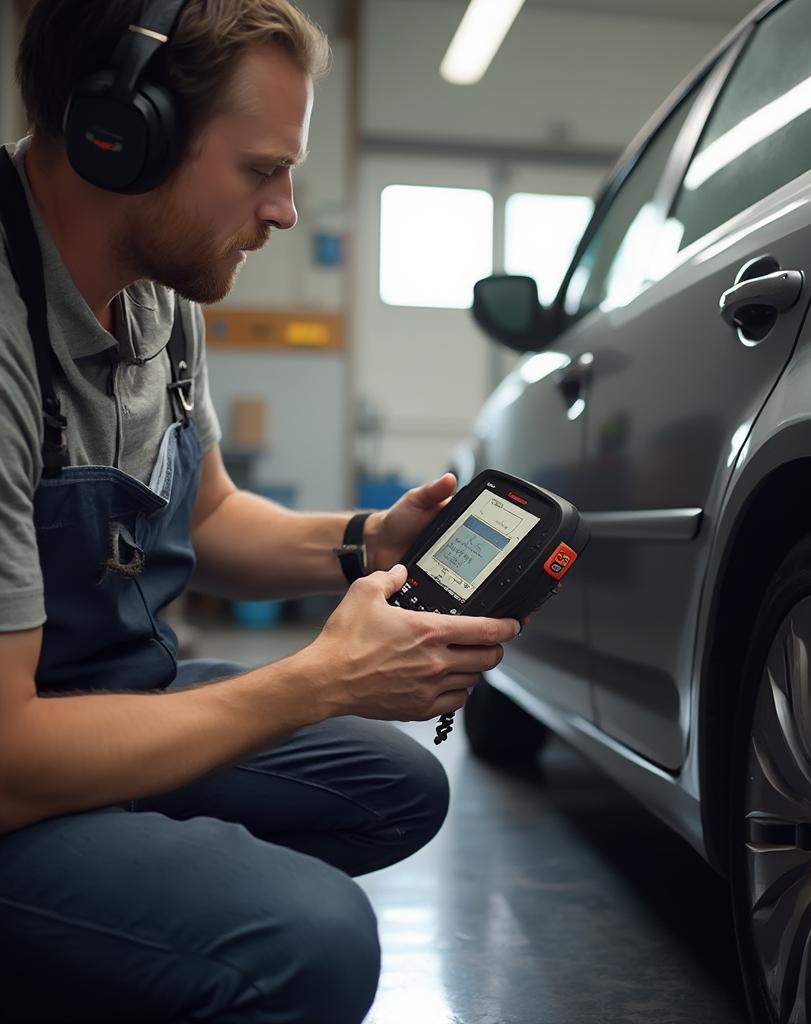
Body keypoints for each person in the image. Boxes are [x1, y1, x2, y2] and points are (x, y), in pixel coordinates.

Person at [0, 2, 520, 1022]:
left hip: (89, 704)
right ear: (121, 134)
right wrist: (316, 681)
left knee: (394, 786)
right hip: (15, 755)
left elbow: (210, 516)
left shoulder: (157, 292)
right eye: (260, 169)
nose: (285, 210)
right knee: (309, 941)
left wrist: (371, 541)